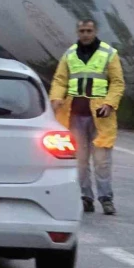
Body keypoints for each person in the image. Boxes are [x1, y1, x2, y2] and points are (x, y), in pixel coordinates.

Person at [49, 19, 125, 215]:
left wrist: (109, 103)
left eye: (89, 31)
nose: (85, 34)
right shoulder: (70, 54)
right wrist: (57, 98)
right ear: (77, 32)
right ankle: (85, 198)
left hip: (100, 117)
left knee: (102, 161)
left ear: (95, 31)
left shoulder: (109, 53)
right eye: (82, 31)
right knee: (80, 160)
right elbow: (60, 80)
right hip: (74, 115)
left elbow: (117, 83)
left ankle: (106, 198)